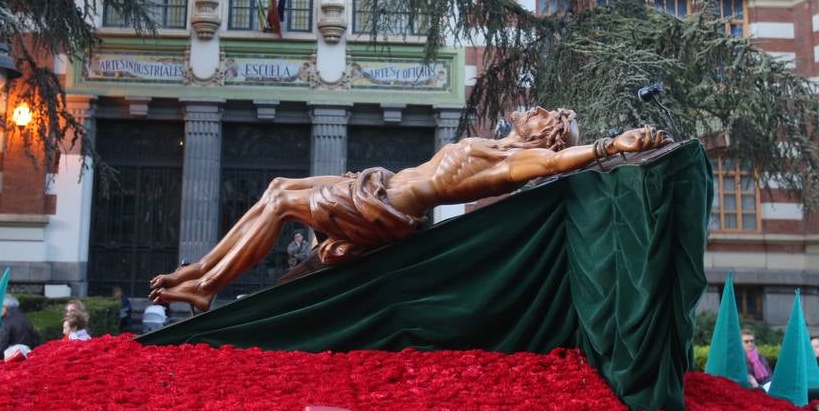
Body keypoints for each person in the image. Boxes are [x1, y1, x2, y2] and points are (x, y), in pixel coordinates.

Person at [150, 109, 669, 311]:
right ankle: (199, 273)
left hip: (384, 204)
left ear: (544, 135)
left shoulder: (514, 160)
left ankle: (204, 286)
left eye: (547, 115)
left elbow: (556, 164)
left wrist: (610, 147)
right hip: (381, 186)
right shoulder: (497, 144)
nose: (536, 109)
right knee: (280, 186)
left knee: (283, 200)